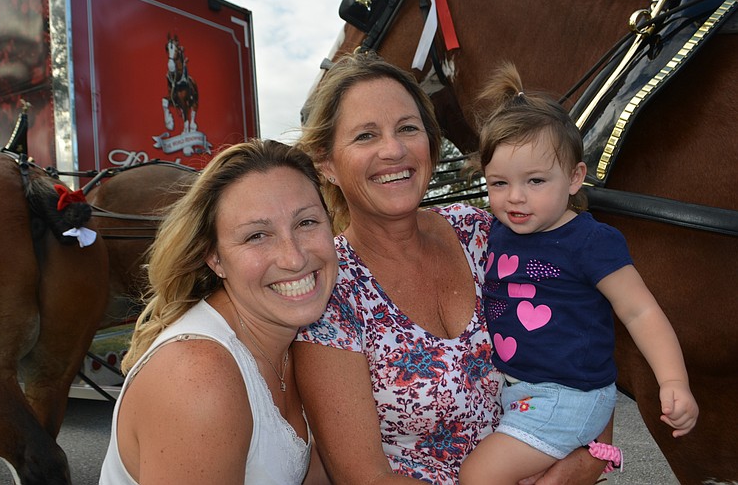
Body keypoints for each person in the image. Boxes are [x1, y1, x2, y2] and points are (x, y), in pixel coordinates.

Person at [294, 51, 611, 484]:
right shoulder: (330, 290)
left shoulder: (484, 233)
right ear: (326, 163)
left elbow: (582, 351)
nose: (394, 149)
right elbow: (366, 479)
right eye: (366, 136)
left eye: (408, 128)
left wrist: (592, 458)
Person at [457, 63, 699, 484]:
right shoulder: (497, 231)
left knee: (479, 475)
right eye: (498, 183)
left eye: (535, 180)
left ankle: (593, 450)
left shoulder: (589, 241)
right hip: (520, 393)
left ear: (574, 178)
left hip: (568, 396)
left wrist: (673, 380)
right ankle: (597, 455)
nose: (515, 197)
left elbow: (640, 311)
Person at [99, 139, 337, 485]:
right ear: (215, 258)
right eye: (257, 235)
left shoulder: (292, 339)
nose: (295, 258)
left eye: (306, 223)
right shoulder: (197, 379)